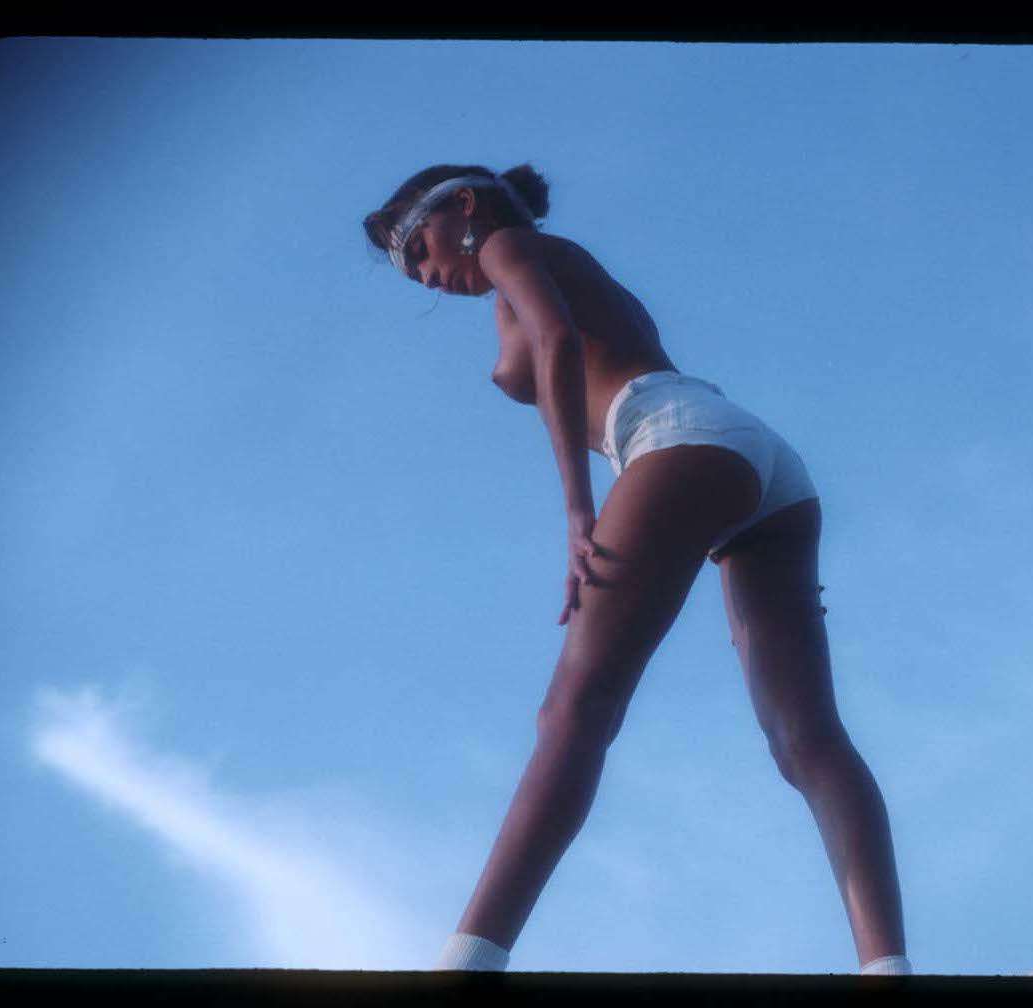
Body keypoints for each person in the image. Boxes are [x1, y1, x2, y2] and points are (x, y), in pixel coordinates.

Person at [363, 163, 912, 976]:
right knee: (804, 737)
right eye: (410, 273)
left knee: (573, 710)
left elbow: (555, 343)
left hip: (671, 437)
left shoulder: (510, 246)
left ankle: (466, 964)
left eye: (418, 248)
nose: (425, 276)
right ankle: (887, 970)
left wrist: (577, 509)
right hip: (752, 461)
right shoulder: (535, 270)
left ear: (464, 207)